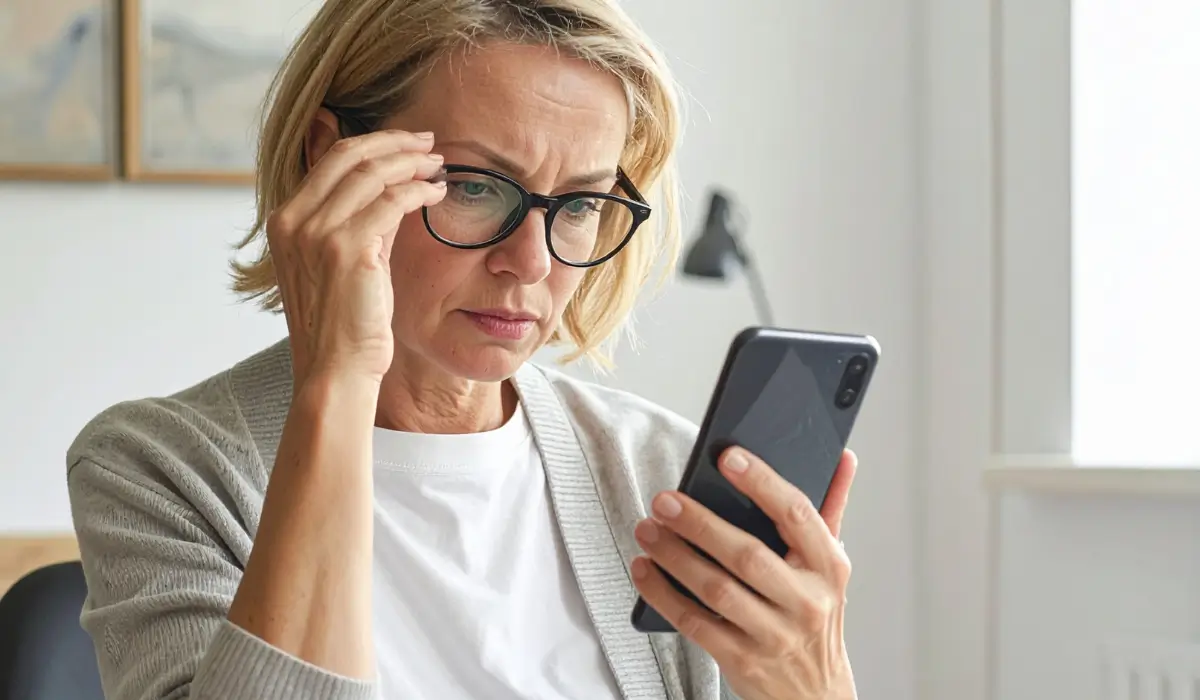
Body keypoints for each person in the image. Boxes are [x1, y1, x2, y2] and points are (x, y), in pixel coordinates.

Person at [65, 1, 860, 699]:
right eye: (476, 186)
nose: (534, 263)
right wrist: (338, 378)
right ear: (330, 160)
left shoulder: (660, 474)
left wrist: (810, 687)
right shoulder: (159, 470)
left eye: (579, 203)